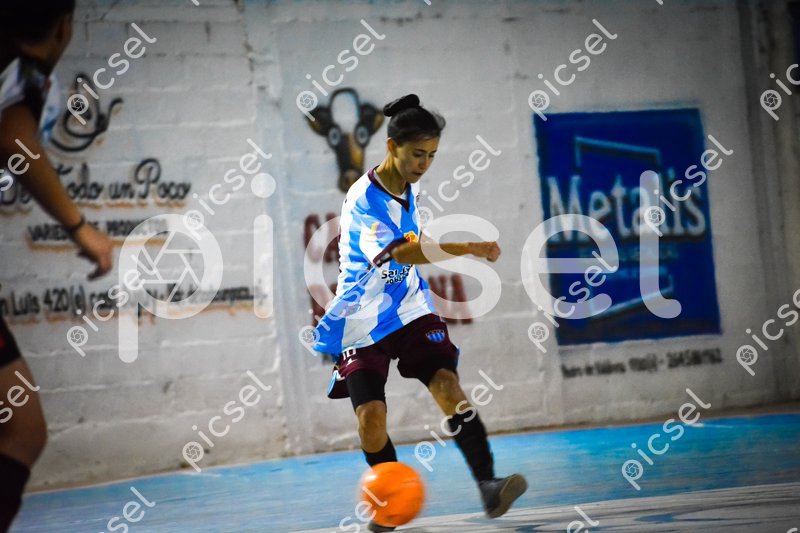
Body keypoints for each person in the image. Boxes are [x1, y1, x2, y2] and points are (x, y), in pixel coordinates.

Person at [313, 94, 527, 532]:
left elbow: (414, 242)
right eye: (417, 154)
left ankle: (489, 484)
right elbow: (405, 252)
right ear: (391, 146)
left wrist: (441, 245)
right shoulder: (364, 198)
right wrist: (468, 246)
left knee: (448, 385)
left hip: (409, 306)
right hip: (361, 318)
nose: (424, 164)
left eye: (431, 155)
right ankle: (388, 507)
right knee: (371, 421)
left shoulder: (410, 190)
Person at [0, 1, 114, 530]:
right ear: (64, 27)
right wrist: (79, 227)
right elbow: (13, 137)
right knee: (22, 429)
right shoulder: (22, 72)